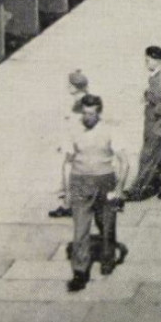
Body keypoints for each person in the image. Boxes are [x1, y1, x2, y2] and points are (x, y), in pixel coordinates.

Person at [62, 94, 130, 292]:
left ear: (99, 113)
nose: (87, 118)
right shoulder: (72, 131)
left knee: (106, 224)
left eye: (91, 114)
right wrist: (65, 190)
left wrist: (119, 189)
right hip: (80, 181)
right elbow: (66, 162)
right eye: (84, 113)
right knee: (80, 229)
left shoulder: (110, 130)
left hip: (105, 181)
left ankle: (107, 258)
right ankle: (80, 272)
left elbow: (125, 162)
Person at [124, 46, 161, 201]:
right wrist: (148, 94)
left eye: (148, 60)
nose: (146, 63)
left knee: (148, 156)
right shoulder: (159, 75)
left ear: (156, 60)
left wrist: (154, 112)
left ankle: (137, 191)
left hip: (160, 125)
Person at [49, 69, 92, 219]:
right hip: (79, 144)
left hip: (76, 145)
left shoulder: (80, 105)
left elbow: (77, 127)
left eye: (69, 85)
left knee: (68, 170)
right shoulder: (85, 100)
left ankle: (68, 205)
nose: (67, 87)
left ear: (75, 87)